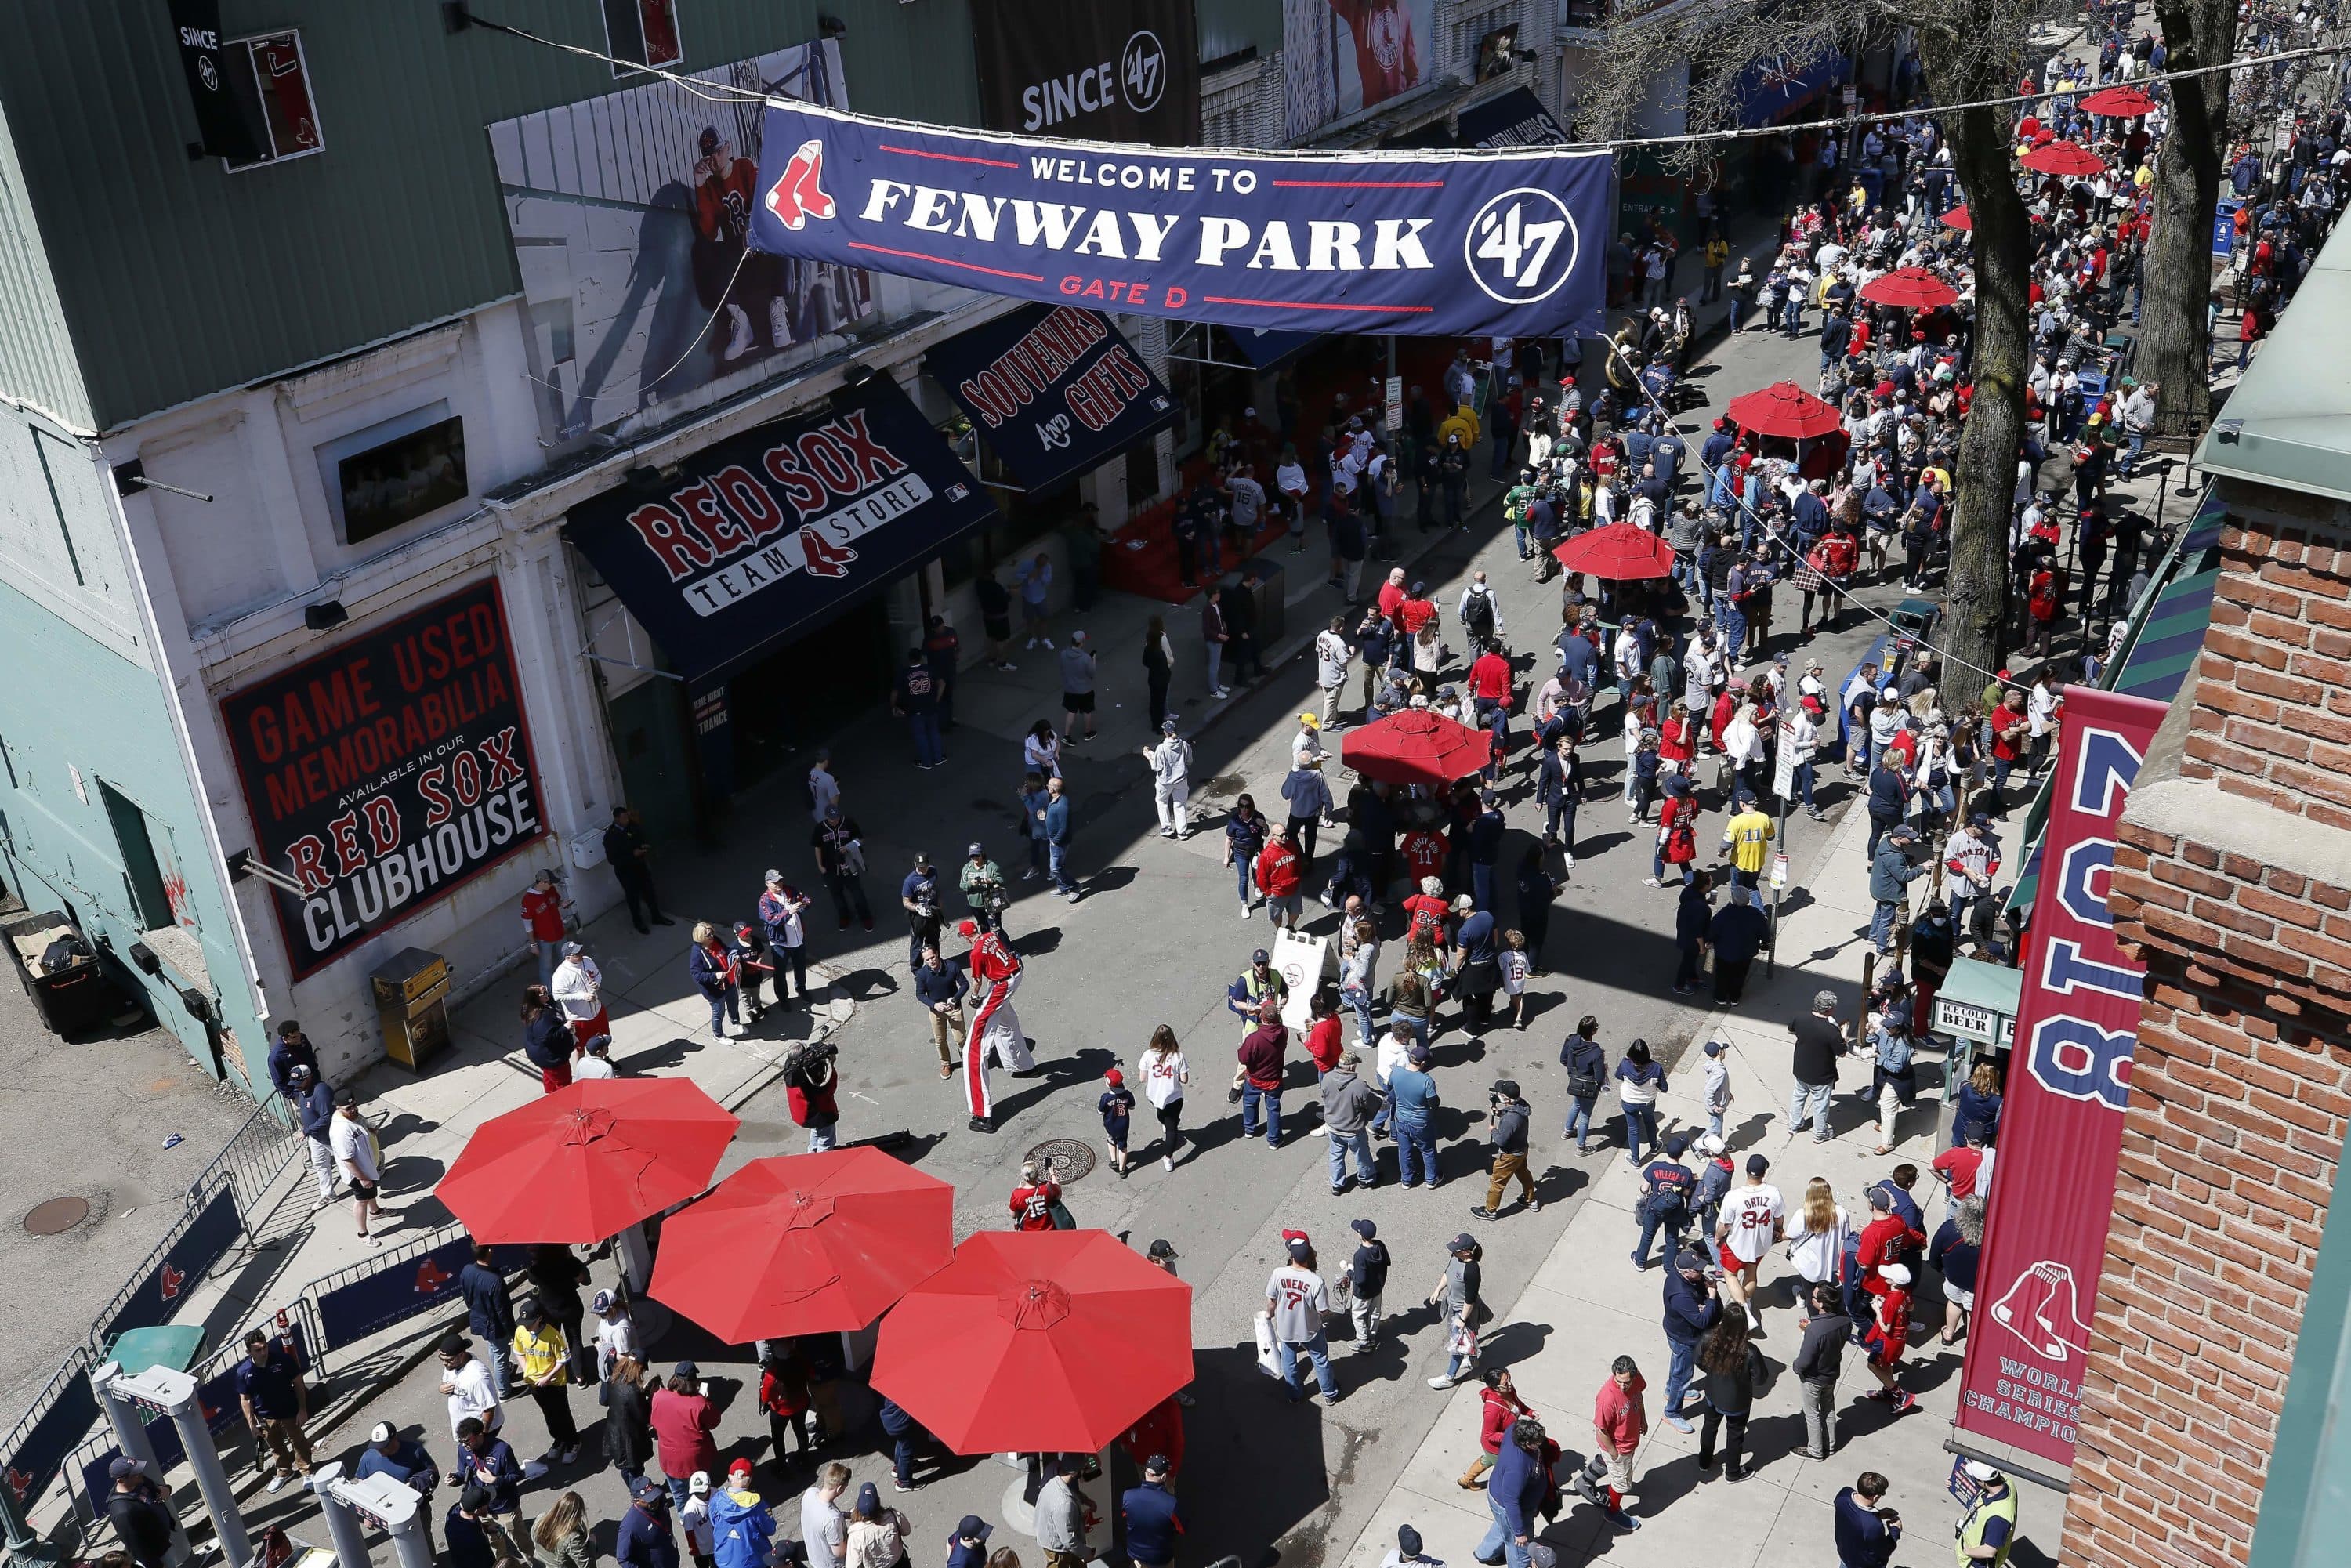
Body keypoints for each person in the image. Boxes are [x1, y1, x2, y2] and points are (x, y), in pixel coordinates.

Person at [956, 918, 1031, 1135]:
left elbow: (977, 981)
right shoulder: (990, 936)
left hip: (1000, 985)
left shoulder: (975, 952)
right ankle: (1023, 1065)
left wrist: (974, 997)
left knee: (974, 1048)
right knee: (1007, 1021)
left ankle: (982, 1114)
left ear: (966, 937)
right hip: (1014, 975)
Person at [1693, 1309, 1766, 1482]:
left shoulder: (1709, 1338)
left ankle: (1704, 1461)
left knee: (1709, 1427)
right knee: (1735, 1436)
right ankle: (1733, 1472)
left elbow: (1697, 1359)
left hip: (1712, 1394)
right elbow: (1761, 1379)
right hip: (1737, 1403)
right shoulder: (1750, 1351)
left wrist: (1711, 1372)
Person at [237, 1327, 313, 1491]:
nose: (263, 1352)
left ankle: (306, 1471)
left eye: (265, 1347)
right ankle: (285, 1472)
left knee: (298, 1442)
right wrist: (252, 1424)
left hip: (289, 1411)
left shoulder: (282, 1360)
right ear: (248, 1351)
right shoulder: (243, 1372)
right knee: (276, 1447)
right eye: (258, 1350)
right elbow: (245, 1399)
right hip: (265, 1417)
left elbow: (298, 1383)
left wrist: (302, 1410)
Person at [1576, 1357, 1645, 1532]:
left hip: (1629, 1439)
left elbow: (1639, 1395)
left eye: (1627, 1382)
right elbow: (1601, 1428)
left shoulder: (1635, 1380)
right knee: (1621, 1484)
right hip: (1619, 1446)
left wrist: (1642, 1419)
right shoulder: (1607, 1398)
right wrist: (1614, 1453)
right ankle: (1613, 1512)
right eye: (1618, 1381)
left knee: (1612, 1466)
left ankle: (1584, 1482)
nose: (1623, 1386)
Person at [1716, 1154, 1784, 1330]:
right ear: (1764, 1172)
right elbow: (1779, 1218)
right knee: (1751, 1272)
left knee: (1730, 1275)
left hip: (1737, 1244)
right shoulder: (1773, 1192)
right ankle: (1746, 1301)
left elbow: (1725, 1225)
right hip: (1760, 1244)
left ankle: (1744, 1310)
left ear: (1746, 1171)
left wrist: (1717, 1237)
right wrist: (1778, 1230)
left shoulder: (1733, 1196)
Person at [511, 1298, 581, 1464]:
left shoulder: (553, 1336)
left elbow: (563, 1359)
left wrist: (547, 1377)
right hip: (534, 1382)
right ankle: (559, 1439)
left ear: (540, 1319)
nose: (526, 1326)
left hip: (554, 1383)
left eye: (530, 1323)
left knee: (562, 1413)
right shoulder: (521, 1332)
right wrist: (527, 1367)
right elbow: (518, 1351)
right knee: (548, 1413)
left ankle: (573, 1441)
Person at [1659, 1244, 1720, 1431]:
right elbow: (1702, 1321)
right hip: (1684, 1338)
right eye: (1698, 1270)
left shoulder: (1681, 1278)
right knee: (1683, 1376)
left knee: (1677, 1366)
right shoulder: (1681, 1296)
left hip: (1678, 1332)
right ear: (1686, 1272)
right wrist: (1711, 1297)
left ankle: (1671, 1390)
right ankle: (1672, 1413)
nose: (1702, 1273)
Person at [1476, 1417, 1550, 1568]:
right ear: (1526, 1443)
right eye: (1537, 1443)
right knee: (1519, 1550)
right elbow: (1510, 1501)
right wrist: (1519, 1533)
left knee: (1503, 1527)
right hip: (1510, 1507)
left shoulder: (1515, 1429)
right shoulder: (1518, 1466)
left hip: (1504, 1501)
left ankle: (1484, 1553)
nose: (1540, 1444)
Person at [1793, 1282, 1853, 1459]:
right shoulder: (1845, 1321)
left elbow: (1803, 1361)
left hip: (1813, 1379)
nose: (1812, 1297)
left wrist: (1797, 1367)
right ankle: (1830, 1444)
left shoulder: (1815, 1331)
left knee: (1812, 1413)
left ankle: (1816, 1450)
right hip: (1832, 1373)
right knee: (1828, 1407)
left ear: (1821, 1304)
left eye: (1814, 1296)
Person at [652, 1363, 722, 1512]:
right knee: (702, 1493)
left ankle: (686, 1522)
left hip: (670, 1459)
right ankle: (705, 1518)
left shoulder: (659, 1396)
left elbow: (654, 1421)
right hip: (694, 1460)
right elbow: (714, 1421)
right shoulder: (699, 1403)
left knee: (679, 1495)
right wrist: (707, 1400)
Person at [1469, 1078, 1536, 1219]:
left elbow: (1501, 1140)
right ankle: (1531, 1200)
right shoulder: (1521, 1106)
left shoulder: (1510, 1119)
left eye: (1500, 1093)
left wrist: (1493, 1130)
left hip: (1509, 1155)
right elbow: (1513, 1121)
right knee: (1524, 1173)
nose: (1498, 1094)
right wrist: (1500, 1113)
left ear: (1505, 1097)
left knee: (1497, 1182)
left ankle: (1490, 1211)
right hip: (1522, 1150)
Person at [1631, 1132, 1696, 1271]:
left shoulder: (1655, 1167)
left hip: (1655, 1209)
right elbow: (1686, 1193)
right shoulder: (1686, 1172)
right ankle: (1668, 1265)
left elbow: (1644, 1189)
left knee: (1648, 1236)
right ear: (1681, 1155)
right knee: (1672, 1240)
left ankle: (1640, 1262)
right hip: (1675, 1211)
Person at [603, 806, 672, 933]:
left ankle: (656, 916)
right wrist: (632, 855)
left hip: (639, 866)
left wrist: (643, 846)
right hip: (625, 871)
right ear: (617, 819)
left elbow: (640, 836)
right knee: (633, 897)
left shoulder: (632, 826)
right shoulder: (611, 836)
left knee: (649, 892)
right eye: (623, 818)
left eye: (627, 817)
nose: (626, 820)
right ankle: (638, 922)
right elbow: (613, 859)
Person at [1788, 990, 1845, 1141]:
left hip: (1801, 1068)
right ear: (1829, 1009)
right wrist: (1842, 1036)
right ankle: (1820, 1133)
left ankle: (1794, 1124)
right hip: (1822, 1075)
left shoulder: (1800, 1017)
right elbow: (1842, 1052)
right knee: (1820, 1105)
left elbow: (1791, 1030)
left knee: (1798, 1097)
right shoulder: (1831, 1031)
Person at [1321, 1050, 1381, 1194]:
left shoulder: (1327, 1078)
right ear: (1353, 1067)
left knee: (1335, 1155)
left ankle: (1337, 1184)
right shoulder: (1359, 1085)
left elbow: (1325, 1097)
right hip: (1353, 1129)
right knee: (1362, 1155)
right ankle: (1366, 1179)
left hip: (1333, 1126)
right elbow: (1373, 1104)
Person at [1235, 998, 1288, 1149]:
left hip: (1254, 1078)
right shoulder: (1284, 1032)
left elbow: (1243, 1058)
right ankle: (1274, 1139)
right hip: (1274, 1080)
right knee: (1273, 1109)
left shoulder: (1254, 1039)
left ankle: (1250, 1129)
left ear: (1261, 1017)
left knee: (1249, 1103)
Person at [105, 1457, 176, 1568]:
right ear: (121, 1480)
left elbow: (156, 1488)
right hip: (157, 1553)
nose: (141, 1473)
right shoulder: (122, 1512)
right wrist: (156, 1565)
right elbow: (136, 1546)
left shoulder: (138, 1480)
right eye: (135, 1473)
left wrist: (165, 1489)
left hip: (163, 1539)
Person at [1390, 1040, 1443, 1188]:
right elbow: (1434, 1103)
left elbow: (1390, 1088)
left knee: (1404, 1150)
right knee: (1427, 1150)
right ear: (1423, 1062)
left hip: (1400, 1118)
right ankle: (1431, 1179)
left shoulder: (1396, 1072)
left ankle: (1407, 1180)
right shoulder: (1426, 1081)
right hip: (1420, 1122)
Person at [811, 807, 874, 931]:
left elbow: (860, 839)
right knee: (837, 896)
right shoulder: (820, 828)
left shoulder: (848, 822)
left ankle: (866, 917)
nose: (834, 821)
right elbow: (817, 847)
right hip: (830, 869)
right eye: (831, 819)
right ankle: (844, 917)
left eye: (836, 818)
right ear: (826, 817)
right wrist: (820, 865)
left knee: (858, 895)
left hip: (849, 866)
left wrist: (849, 847)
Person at [911, 943, 967, 1082]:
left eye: (933, 957)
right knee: (940, 1040)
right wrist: (934, 1004)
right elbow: (920, 994)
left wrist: (955, 998)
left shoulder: (952, 967)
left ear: (937, 954)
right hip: (936, 1012)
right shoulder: (922, 974)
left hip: (954, 1009)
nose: (931, 962)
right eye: (928, 960)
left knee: (960, 1039)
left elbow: (965, 984)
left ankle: (965, 1056)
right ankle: (946, 1064)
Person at [438, 1334, 503, 1450]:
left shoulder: (478, 1377)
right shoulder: (452, 1365)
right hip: (465, 1430)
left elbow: (489, 1408)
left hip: (480, 1431)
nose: (445, 1363)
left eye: (448, 1360)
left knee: (484, 1461)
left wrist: (481, 1435)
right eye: (442, 1359)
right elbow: (446, 1381)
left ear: (461, 1355)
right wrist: (442, 1388)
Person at [756, 873, 813, 1005]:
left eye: (780, 881)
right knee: (780, 972)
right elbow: (773, 920)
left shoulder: (790, 889)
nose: (779, 884)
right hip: (780, 943)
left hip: (798, 938)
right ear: (767, 884)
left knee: (800, 967)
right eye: (775, 883)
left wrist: (805, 903)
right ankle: (783, 998)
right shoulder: (765, 901)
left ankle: (801, 989)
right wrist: (789, 912)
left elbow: (805, 898)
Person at [888, 645, 947, 770]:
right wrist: (936, 699)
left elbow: (895, 692)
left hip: (915, 710)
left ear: (910, 659)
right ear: (921, 658)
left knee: (921, 735)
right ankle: (938, 757)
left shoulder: (903, 673)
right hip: (931, 707)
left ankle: (926, 762)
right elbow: (942, 684)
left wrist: (893, 706)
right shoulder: (929, 669)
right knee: (934, 732)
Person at [1120, 1454, 1183, 1568]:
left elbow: (1126, 1515)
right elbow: (1181, 1529)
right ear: (1164, 1476)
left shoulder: (1128, 1496)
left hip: (1136, 1557)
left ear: (1146, 1473)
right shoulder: (1171, 1504)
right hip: (1160, 1560)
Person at [603, 1355, 655, 1491]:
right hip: (630, 1439)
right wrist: (650, 1398)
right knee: (636, 1470)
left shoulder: (614, 1378)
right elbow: (643, 1417)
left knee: (624, 1467)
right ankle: (638, 1493)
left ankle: (633, 1490)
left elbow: (606, 1400)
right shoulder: (633, 1391)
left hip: (615, 1432)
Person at [1708, 888, 1768, 1004]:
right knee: (1740, 975)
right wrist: (1765, 943)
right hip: (1745, 954)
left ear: (1734, 899)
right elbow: (1764, 933)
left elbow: (1713, 930)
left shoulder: (1724, 914)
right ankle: (1734, 998)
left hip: (1724, 952)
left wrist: (1709, 940)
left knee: (1722, 975)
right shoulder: (1756, 915)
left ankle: (1721, 997)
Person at [1953, 1460, 2016, 1563]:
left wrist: (1967, 1551)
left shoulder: (1999, 1519)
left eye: (1975, 1479)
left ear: (1983, 1482)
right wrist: (1953, 1483)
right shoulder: (2007, 1481)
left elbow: (1989, 1551)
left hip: (1977, 1563)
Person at [1614, 1039, 1666, 1165]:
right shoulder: (1656, 1067)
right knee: (1650, 1122)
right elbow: (1664, 1088)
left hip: (1629, 1101)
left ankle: (1636, 1159)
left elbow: (1618, 1075)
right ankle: (1654, 1147)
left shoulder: (1625, 1064)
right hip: (1648, 1102)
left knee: (1633, 1129)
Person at [688, 922, 742, 1041]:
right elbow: (697, 976)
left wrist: (733, 955)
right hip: (714, 990)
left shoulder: (715, 941)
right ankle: (718, 1035)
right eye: (708, 935)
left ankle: (735, 1022)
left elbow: (726, 950)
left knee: (734, 1003)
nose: (712, 936)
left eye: (712, 933)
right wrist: (714, 976)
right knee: (719, 1012)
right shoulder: (697, 953)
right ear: (701, 937)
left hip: (728, 980)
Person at [1834, 1471, 1900, 1567]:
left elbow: (1855, 1516)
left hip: (1845, 1555)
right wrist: (1895, 1530)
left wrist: (1878, 1514)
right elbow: (1885, 1550)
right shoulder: (1873, 1526)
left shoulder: (1844, 1495)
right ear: (1876, 1497)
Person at [551, 941, 610, 1049]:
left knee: (603, 1040)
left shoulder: (587, 961)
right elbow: (558, 996)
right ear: (568, 957)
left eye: (580, 951)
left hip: (597, 1009)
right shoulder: (561, 974)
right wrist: (582, 996)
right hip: (579, 1018)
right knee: (580, 1048)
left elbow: (598, 975)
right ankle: (580, 1066)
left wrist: (596, 984)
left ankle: (605, 1060)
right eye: (577, 954)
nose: (581, 954)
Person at [1560, 1016, 1607, 1152]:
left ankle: (1567, 1131)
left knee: (1576, 1104)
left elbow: (1563, 1059)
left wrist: (1574, 1072)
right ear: (1593, 1032)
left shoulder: (1571, 1040)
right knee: (1585, 1115)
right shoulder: (1596, 1051)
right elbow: (1599, 1077)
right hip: (1589, 1086)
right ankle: (1581, 1147)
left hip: (1575, 1082)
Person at [1142, 721, 1192, 839]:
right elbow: (1189, 761)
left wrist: (1149, 755)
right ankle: (1182, 832)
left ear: (1165, 732)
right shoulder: (1185, 745)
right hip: (1181, 781)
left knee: (1162, 802)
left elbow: (1156, 767)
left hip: (1164, 782)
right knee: (1180, 805)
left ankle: (1167, 828)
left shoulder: (1161, 748)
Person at [618, 1479, 681, 1568]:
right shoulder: (630, 1526)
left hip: (671, 1555)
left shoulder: (659, 1497)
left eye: (655, 1495)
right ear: (637, 1500)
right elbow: (623, 1558)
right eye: (649, 1500)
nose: (655, 1501)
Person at [521, 871, 569, 987]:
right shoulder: (528, 899)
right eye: (550, 883)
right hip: (544, 940)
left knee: (567, 961)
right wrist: (533, 945)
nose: (552, 885)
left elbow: (555, 902)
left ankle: (568, 985)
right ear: (542, 882)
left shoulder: (550, 890)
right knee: (546, 968)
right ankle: (549, 993)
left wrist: (562, 903)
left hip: (559, 933)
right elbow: (527, 924)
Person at [799, 1465, 851, 1568]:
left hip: (816, 1559)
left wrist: (846, 1515)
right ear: (839, 1488)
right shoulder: (832, 1519)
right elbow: (839, 1552)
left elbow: (820, 1517)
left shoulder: (810, 1493)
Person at [534, 1493, 596, 1568]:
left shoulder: (541, 1520)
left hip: (539, 1563)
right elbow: (586, 1565)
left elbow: (533, 1539)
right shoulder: (572, 1539)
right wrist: (592, 1546)